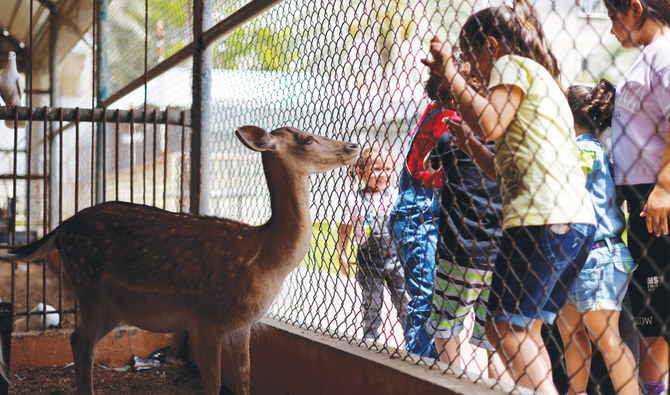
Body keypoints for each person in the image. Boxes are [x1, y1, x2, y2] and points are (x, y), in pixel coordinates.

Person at [422, 1, 597, 393]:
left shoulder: (511, 65)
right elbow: (502, 174)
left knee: (503, 329)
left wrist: (450, 71)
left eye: (472, 59)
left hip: (542, 219)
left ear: (491, 46)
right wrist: (472, 148)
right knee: (523, 330)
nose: (477, 74)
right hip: (571, 221)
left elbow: (490, 121)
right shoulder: (542, 87)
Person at [557, 79, 639, 395]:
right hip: (574, 256)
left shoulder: (584, 150)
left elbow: (570, 185)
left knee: (605, 339)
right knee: (572, 335)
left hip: (596, 257)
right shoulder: (589, 149)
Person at [605, 1, 670, 393]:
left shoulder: (662, 53)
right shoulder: (649, 56)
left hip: (657, 199)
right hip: (644, 202)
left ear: (635, 8)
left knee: (657, 320)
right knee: (653, 320)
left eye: (614, 17)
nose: (612, 28)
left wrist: (664, 187)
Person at [423, 69, 505, 379]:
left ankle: (454, 382)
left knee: (445, 328)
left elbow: (429, 166)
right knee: (493, 340)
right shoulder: (506, 142)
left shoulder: (447, 140)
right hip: (499, 257)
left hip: (457, 255)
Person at [388, 70, 461, 359]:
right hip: (421, 211)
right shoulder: (445, 116)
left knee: (434, 296)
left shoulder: (440, 113)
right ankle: (422, 364)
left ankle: (428, 361)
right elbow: (430, 171)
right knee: (427, 297)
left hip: (427, 211)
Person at [336, 145, 410, 341]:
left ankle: (412, 339)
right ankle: (371, 339)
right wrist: (341, 254)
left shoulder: (395, 195)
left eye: (388, 169)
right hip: (368, 262)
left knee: (404, 302)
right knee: (372, 303)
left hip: (396, 258)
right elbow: (345, 231)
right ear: (361, 172)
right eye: (377, 169)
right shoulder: (354, 199)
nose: (383, 174)